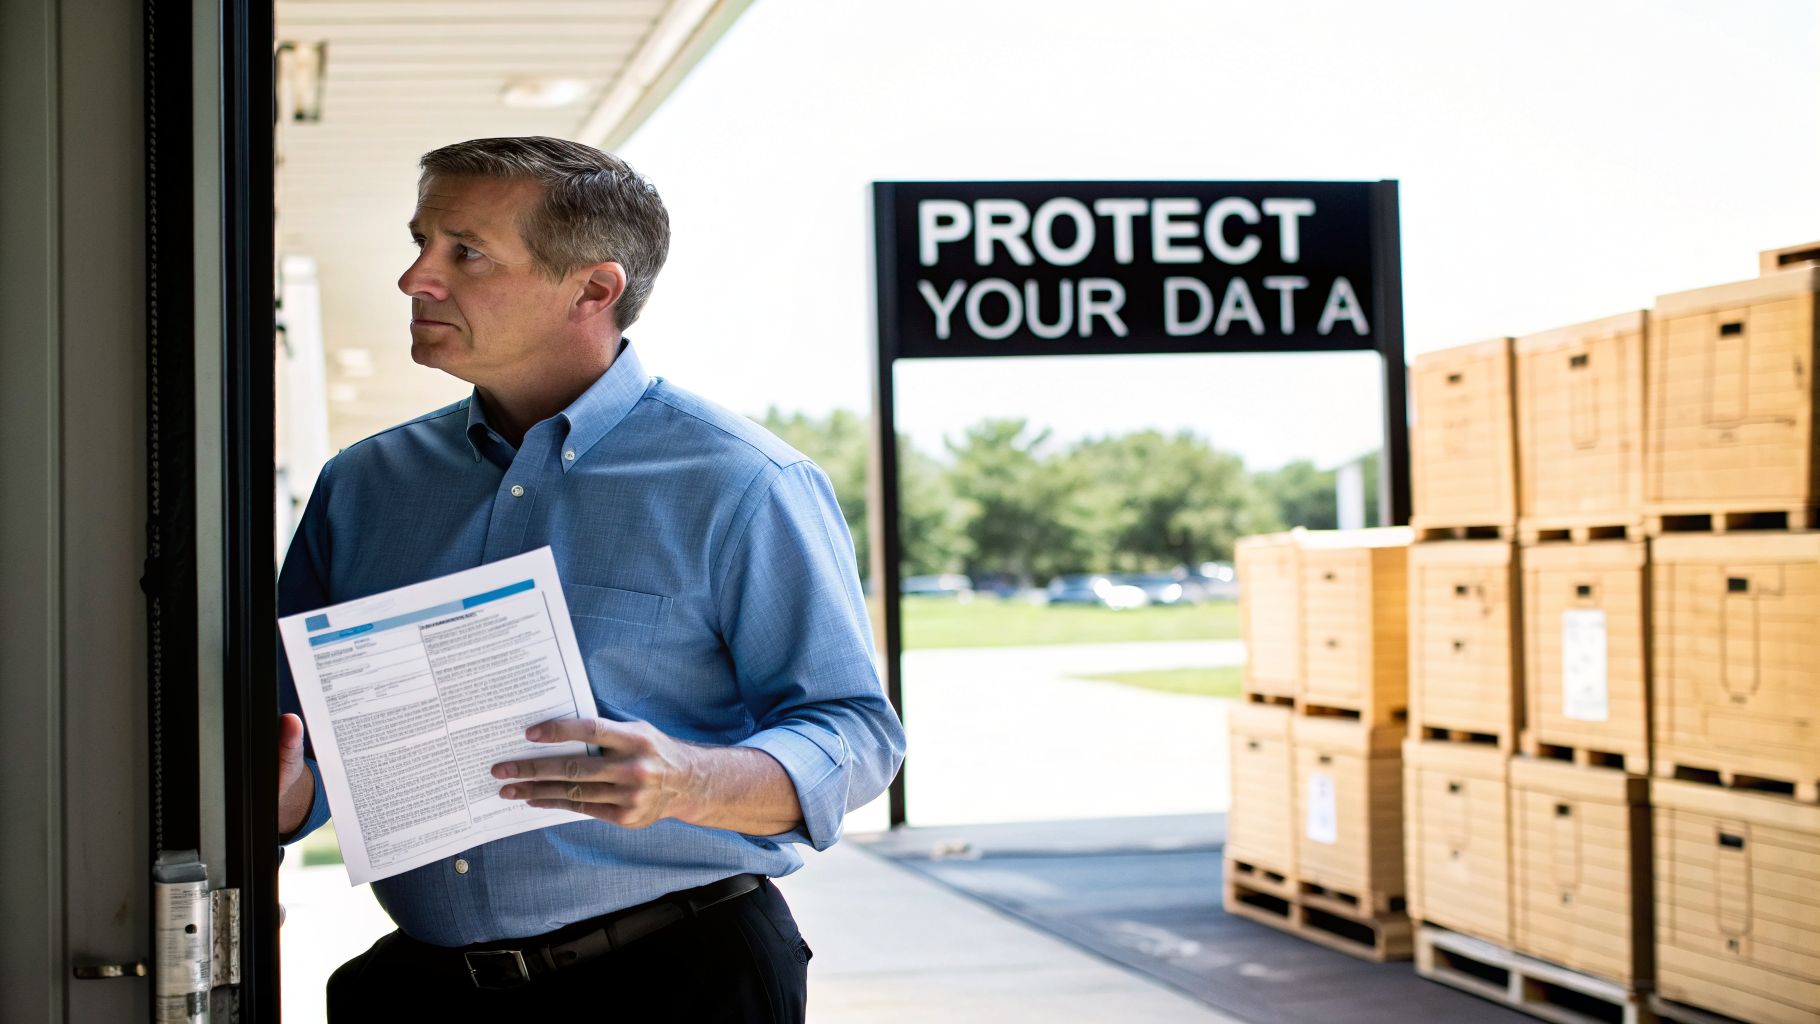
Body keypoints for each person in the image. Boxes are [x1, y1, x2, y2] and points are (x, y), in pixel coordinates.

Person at [275, 136, 906, 1021]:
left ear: (594, 289)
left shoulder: (742, 483)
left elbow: (856, 733)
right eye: (420, 242)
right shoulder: (363, 487)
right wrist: (285, 795)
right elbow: (311, 742)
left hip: (677, 983)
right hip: (419, 991)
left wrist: (690, 778)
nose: (416, 277)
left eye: (466, 252)